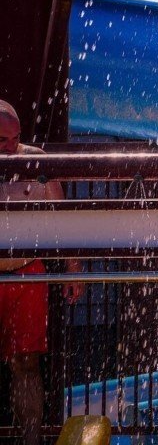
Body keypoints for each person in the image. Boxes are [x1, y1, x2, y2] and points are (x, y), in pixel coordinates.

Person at [0, 102, 77, 445]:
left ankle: (30, 440)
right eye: (3, 140)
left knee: (26, 363)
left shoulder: (36, 160)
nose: (10, 146)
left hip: (25, 273)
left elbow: (60, 217)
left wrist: (73, 268)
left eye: (15, 138)